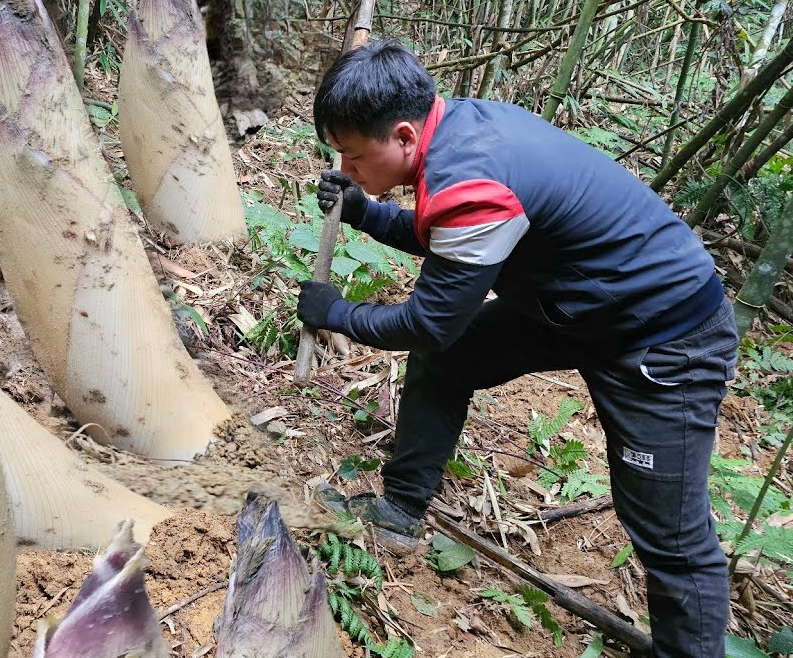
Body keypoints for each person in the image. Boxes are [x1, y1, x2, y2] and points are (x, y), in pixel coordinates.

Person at [297, 39, 738, 658]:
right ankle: (399, 511)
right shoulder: (457, 133)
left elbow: (430, 322)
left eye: (353, 154)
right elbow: (451, 240)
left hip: (663, 337)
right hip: (577, 307)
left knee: (671, 536)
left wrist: (339, 314)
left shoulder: (470, 177)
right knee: (450, 361)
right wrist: (364, 212)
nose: (346, 167)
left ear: (403, 135)